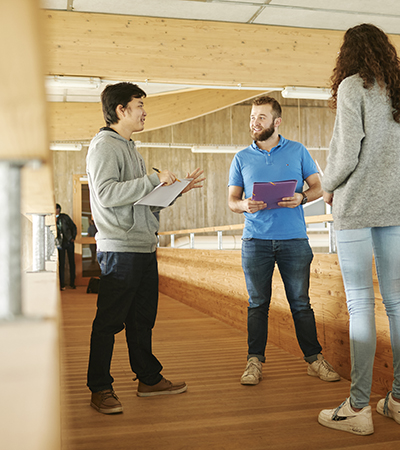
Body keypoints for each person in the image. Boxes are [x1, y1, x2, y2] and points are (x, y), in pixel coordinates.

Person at [318, 24, 400, 435]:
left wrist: (327, 186)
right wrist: (399, 186)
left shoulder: (353, 87)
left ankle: (358, 407)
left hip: (357, 207)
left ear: (349, 54)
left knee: (360, 304)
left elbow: (347, 151)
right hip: (397, 209)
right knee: (398, 301)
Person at [86, 82, 205, 414]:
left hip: (141, 246)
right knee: (109, 322)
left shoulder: (130, 148)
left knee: (142, 320)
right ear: (121, 110)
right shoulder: (104, 146)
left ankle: (149, 379)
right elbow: (107, 194)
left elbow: (138, 202)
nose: (144, 112)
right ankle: (100, 387)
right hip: (120, 248)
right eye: (139, 105)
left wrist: (174, 192)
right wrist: (154, 181)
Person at [228, 96, 340, 386]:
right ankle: (254, 362)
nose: (255, 122)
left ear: (277, 122)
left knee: (301, 303)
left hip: (294, 241)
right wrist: (244, 206)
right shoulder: (241, 158)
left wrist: (302, 197)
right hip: (255, 241)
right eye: (253, 117)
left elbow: (319, 186)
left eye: (261, 117)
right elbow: (232, 200)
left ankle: (314, 360)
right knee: (257, 304)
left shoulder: (298, 150)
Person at [56, 203, 77, 290]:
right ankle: (62, 284)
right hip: (60, 244)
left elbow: (73, 227)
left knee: (71, 262)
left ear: (58, 209)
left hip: (69, 242)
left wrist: (73, 237)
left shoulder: (65, 217)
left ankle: (72, 282)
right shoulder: (52, 219)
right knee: (61, 263)